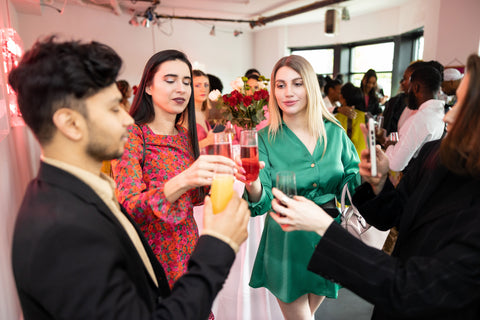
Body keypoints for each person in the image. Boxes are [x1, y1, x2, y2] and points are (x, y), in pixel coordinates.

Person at [9, 36, 250, 320]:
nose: (126, 120)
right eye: (114, 109)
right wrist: (218, 245)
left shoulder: (82, 196)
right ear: (70, 123)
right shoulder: (62, 229)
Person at [267, 53, 480, 320]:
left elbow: (411, 288)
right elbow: (399, 213)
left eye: (462, 104)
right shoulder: (435, 155)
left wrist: (323, 227)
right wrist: (378, 184)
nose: (447, 116)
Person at [237, 55, 360, 320]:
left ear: (310, 88)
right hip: (287, 241)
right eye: (280, 85)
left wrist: (372, 175)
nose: (288, 92)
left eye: (297, 83)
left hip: (328, 236)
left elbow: (353, 183)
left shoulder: (335, 132)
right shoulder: (265, 138)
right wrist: (253, 181)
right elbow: (262, 200)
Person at [111, 50, 236, 291]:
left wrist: (221, 177)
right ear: (148, 87)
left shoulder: (183, 137)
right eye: (170, 81)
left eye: (186, 82)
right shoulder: (132, 135)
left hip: (187, 254)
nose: (181, 89)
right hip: (151, 260)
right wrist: (184, 180)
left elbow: (194, 197)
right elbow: (130, 208)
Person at [384, 65, 445, 172]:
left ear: (416, 87)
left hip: (413, 180)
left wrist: (390, 147)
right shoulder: (440, 114)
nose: (408, 92)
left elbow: (395, 165)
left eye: (410, 87)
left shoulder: (418, 120)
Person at [192, 69, 214, 149]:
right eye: (198, 85)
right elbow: (184, 150)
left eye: (206, 85)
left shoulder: (203, 112)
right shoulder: (185, 115)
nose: (203, 89)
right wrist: (208, 141)